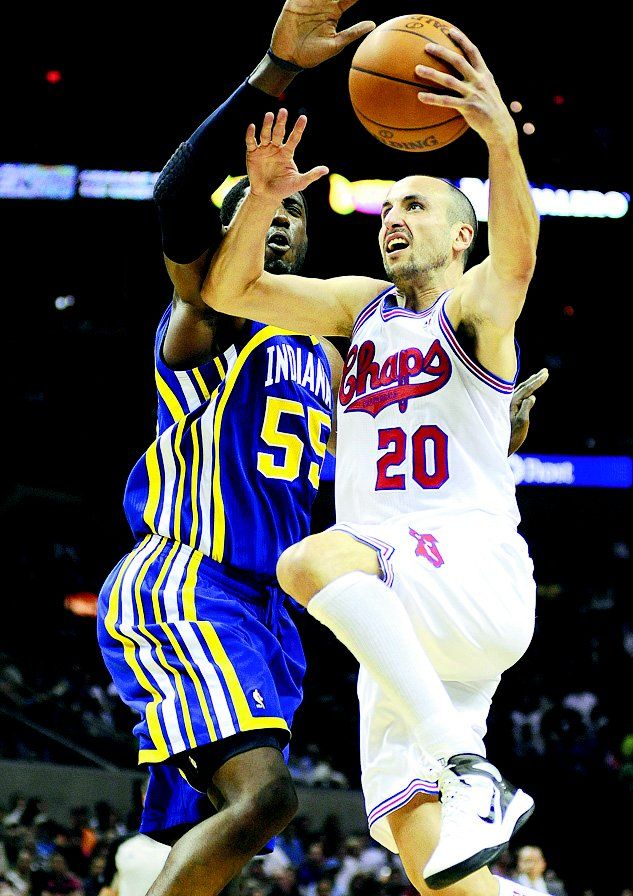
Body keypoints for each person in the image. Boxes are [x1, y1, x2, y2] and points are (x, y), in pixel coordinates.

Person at [98, 3, 545, 896]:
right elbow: (219, 265)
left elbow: (512, 269)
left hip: (432, 572)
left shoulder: (456, 314)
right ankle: (470, 792)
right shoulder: (324, 319)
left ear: (462, 234)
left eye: (414, 202)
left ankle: (471, 771)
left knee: (313, 565)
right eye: (388, 203)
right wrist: (259, 181)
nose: (392, 213)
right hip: (365, 602)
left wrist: (499, 140)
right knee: (433, 867)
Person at [97, 4, 374, 896]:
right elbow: (173, 198)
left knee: (227, 833)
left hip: (265, 615)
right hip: (189, 582)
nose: (281, 214)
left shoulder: (328, 355)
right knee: (266, 803)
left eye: (293, 205)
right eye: (260, 205)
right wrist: (274, 71)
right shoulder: (207, 319)